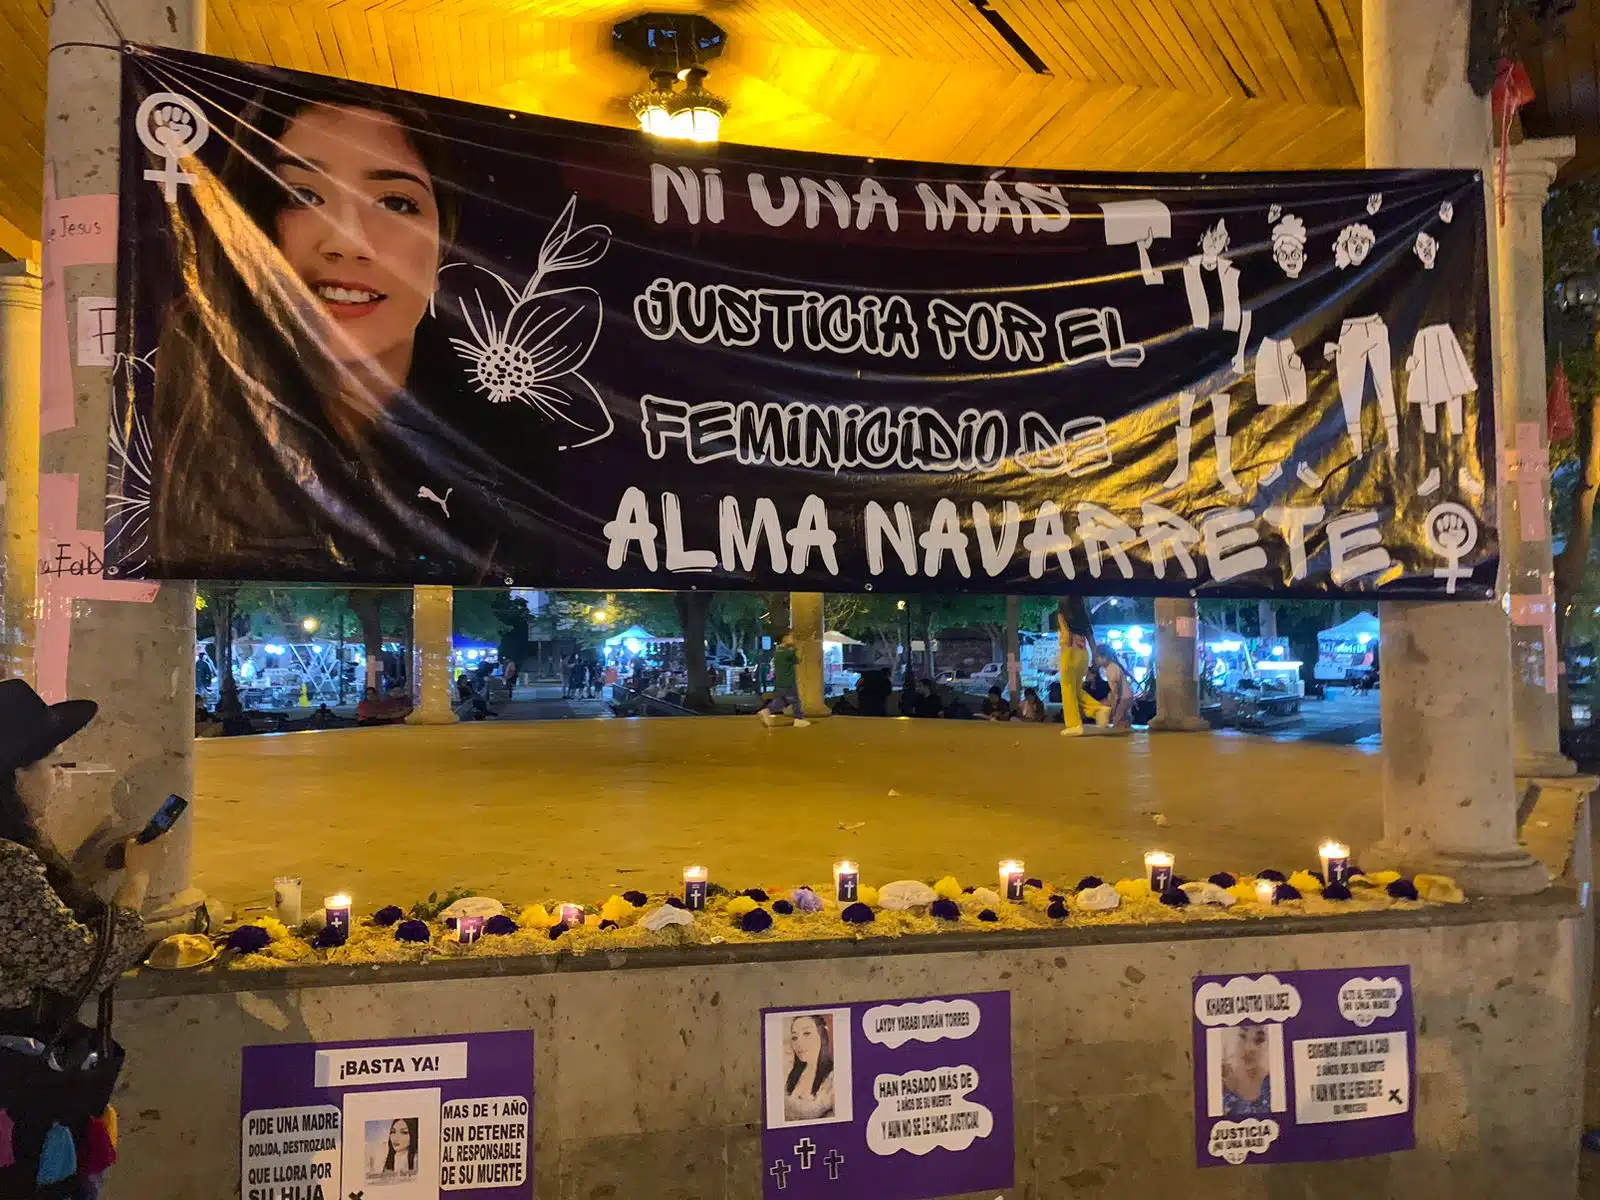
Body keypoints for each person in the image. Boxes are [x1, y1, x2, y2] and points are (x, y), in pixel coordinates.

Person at [146, 79, 591, 583]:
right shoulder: (180, 415)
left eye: (396, 203)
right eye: (301, 195)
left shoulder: (510, 455)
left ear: (442, 243)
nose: (347, 242)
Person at [0, 680, 161, 1198]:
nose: (58, 780)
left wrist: (91, 869)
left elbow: (31, 929)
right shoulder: (5, 865)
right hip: (16, 1081)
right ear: (14, 777)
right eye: (51, 765)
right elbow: (85, 966)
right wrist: (138, 881)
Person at [1056, 600, 1109, 737]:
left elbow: (1066, 635)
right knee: (1075, 689)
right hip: (1083, 652)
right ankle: (1099, 709)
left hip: (1070, 651)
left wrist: (1065, 650)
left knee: (1067, 688)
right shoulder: (1082, 615)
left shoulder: (1062, 609)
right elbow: (1090, 637)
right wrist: (1095, 656)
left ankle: (1074, 724)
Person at [783, 1015, 836, 1123]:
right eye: (794, 1037)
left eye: (807, 1033)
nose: (799, 1043)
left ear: (822, 1036)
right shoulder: (792, 1073)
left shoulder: (834, 1077)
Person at [1218, 1025, 1273, 1118]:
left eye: (1259, 1040)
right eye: (1243, 1036)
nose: (1248, 1048)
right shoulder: (1221, 1081)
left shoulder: (1274, 1084)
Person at [760, 630, 810, 728]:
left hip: (780, 681)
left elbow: (795, 660)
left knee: (780, 702)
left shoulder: (778, 651)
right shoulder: (788, 651)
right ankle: (799, 719)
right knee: (795, 701)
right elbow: (799, 659)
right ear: (785, 638)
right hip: (788, 681)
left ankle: (766, 711)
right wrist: (802, 646)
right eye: (791, 637)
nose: (793, 639)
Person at [1096, 646, 1135, 731]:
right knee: (1123, 718)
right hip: (1127, 696)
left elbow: (1115, 690)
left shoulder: (1111, 669)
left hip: (1124, 698)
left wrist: (1111, 702)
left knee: (1117, 721)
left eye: (1097, 657)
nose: (1096, 660)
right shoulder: (1113, 667)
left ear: (1104, 658)